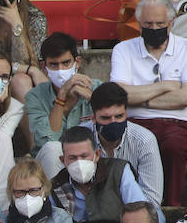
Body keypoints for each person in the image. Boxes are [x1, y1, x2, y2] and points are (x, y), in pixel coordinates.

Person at [110, 0, 187, 208]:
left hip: (178, 125)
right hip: (135, 124)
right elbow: (119, 96)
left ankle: (171, 209)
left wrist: (139, 99)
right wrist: (163, 86)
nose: (154, 28)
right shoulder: (123, 49)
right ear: (139, 24)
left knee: (174, 147)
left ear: (171, 23)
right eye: (148, 24)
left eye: (160, 23)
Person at [40, 83, 166, 212]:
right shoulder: (81, 138)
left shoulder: (144, 140)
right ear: (93, 118)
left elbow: (152, 198)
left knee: (156, 218)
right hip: (90, 211)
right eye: (106, 118)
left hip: (134, 210)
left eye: (119, 116)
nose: (113, 122)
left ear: (126, 114)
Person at [52, 127, 151, 223]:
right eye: (73, 158)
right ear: (63, 160)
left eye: (84, 156)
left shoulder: (118, 171)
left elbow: (140, 212)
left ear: (97, 154)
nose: (79, 163)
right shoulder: (56, 185)